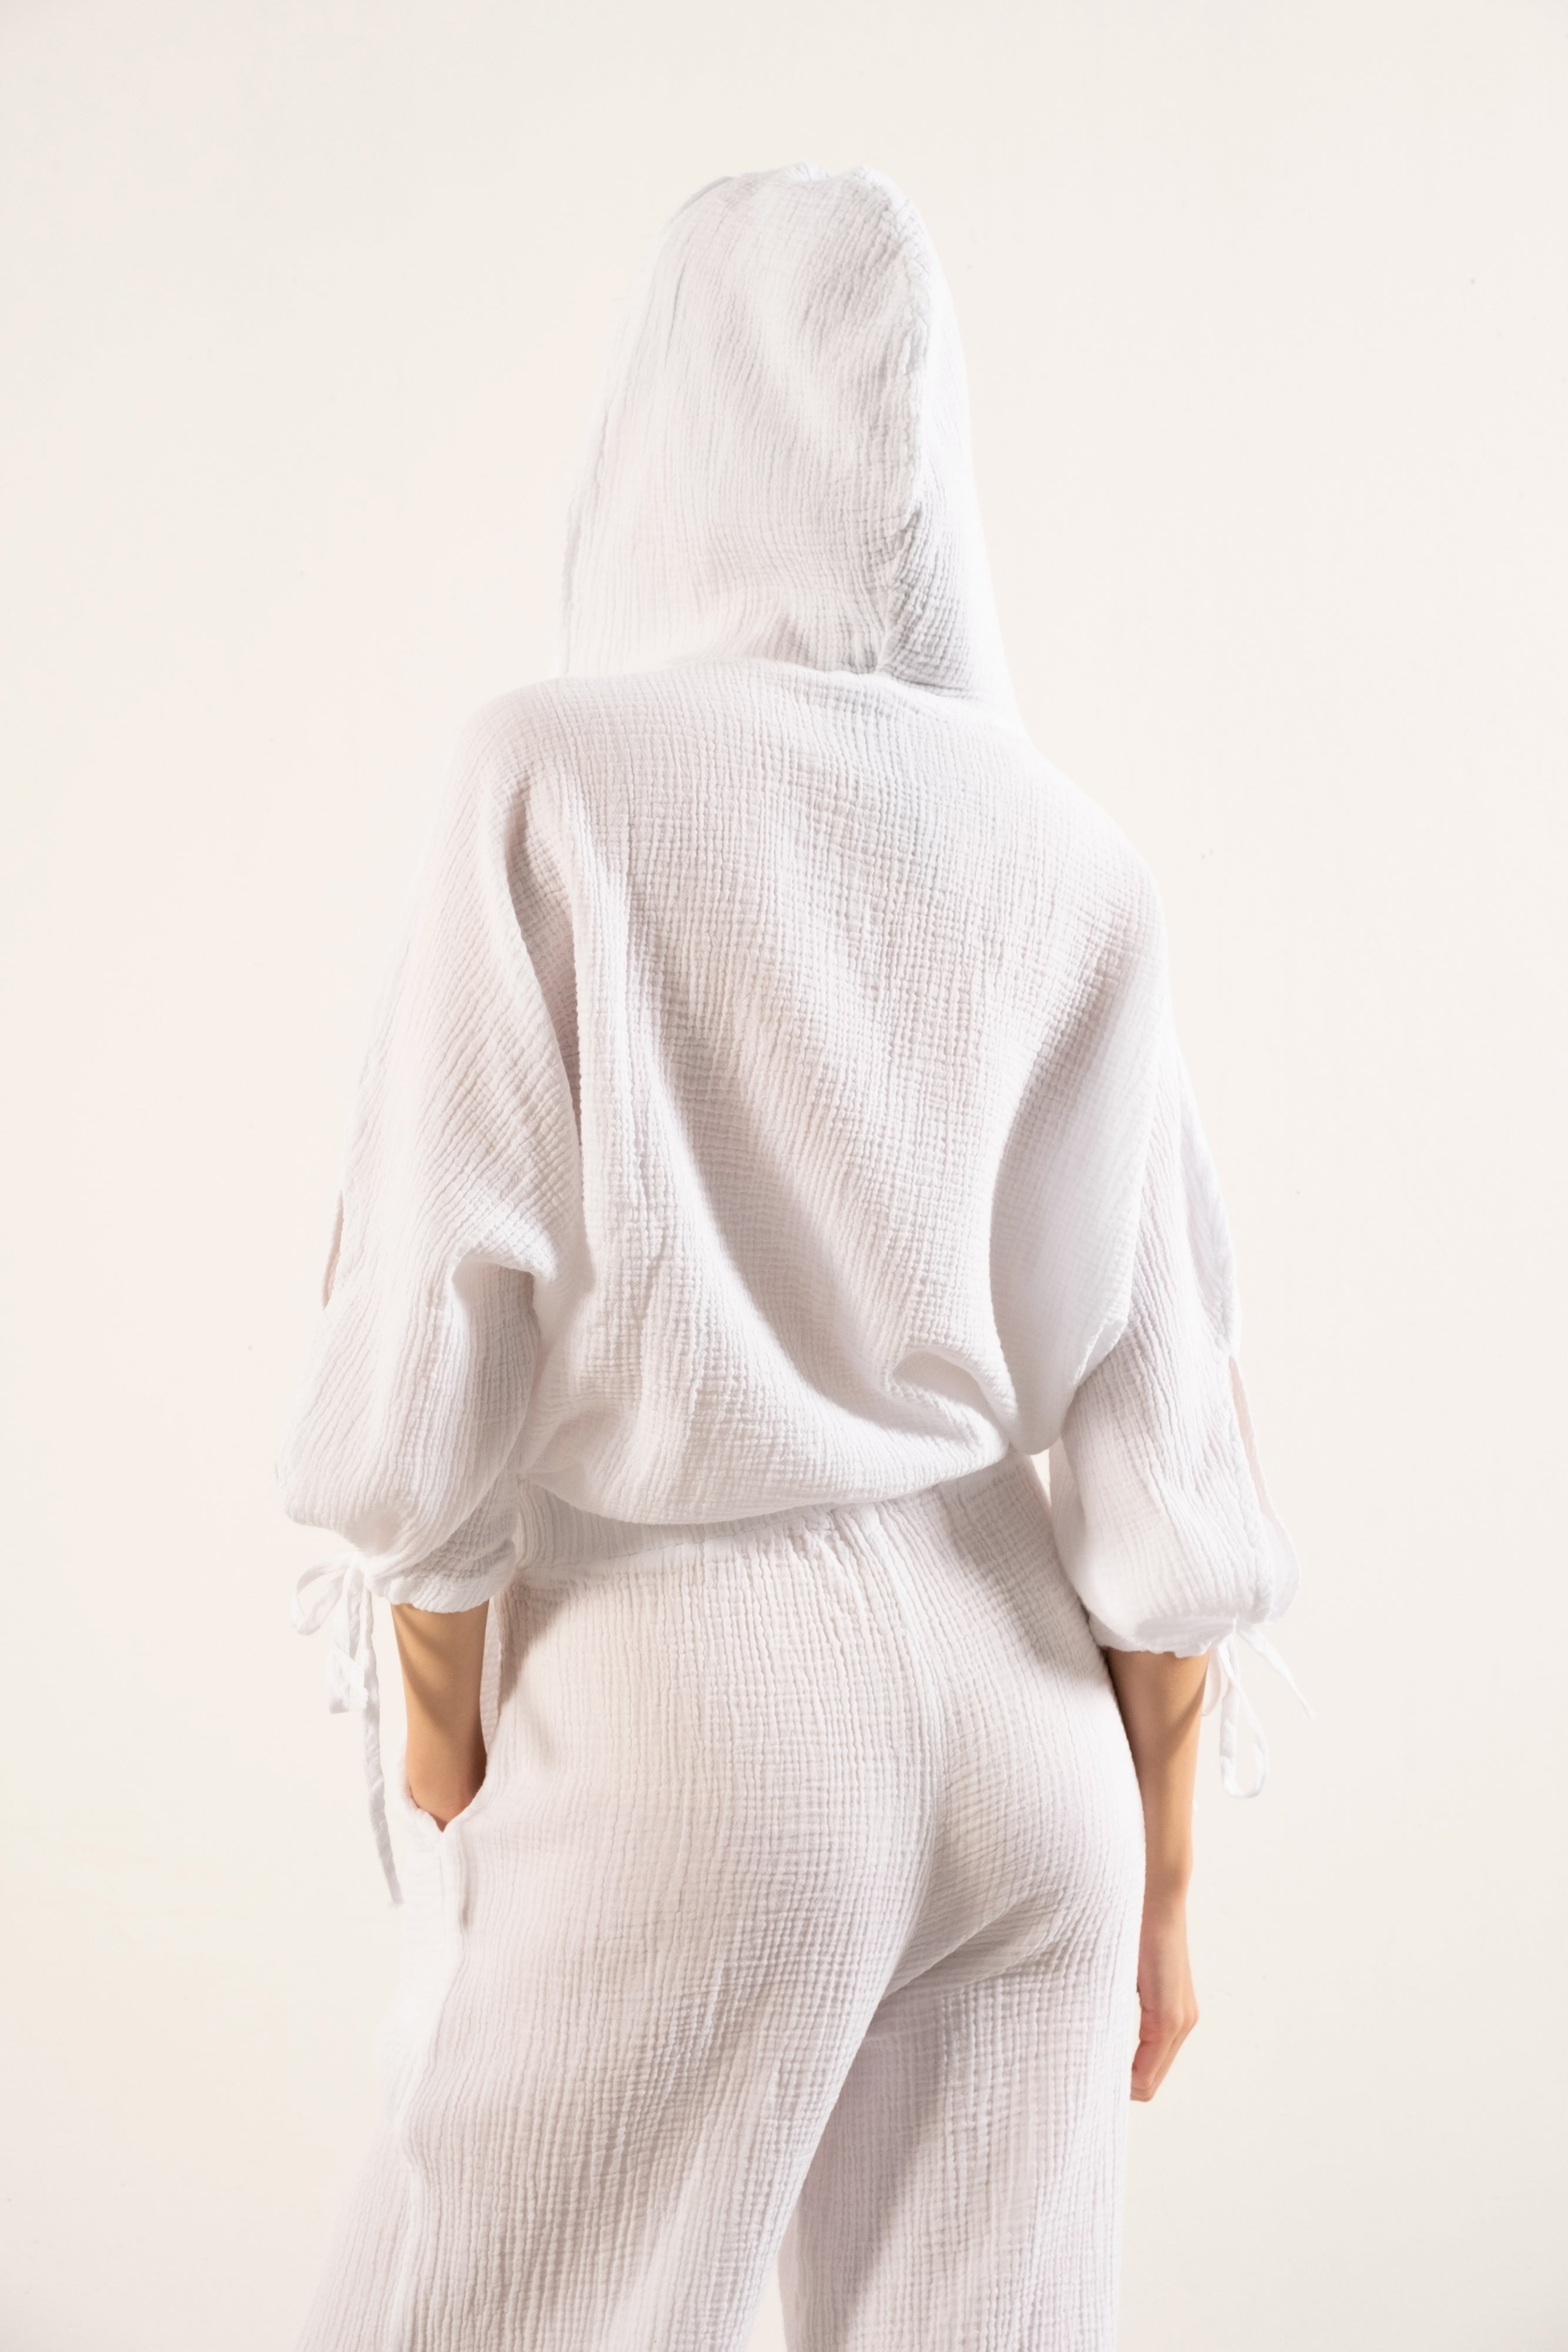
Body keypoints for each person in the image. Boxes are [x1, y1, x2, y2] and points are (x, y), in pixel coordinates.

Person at [279, 162, 1297, 2352]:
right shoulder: (1068, 852)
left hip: (685, 1697)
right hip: (1032, 1739)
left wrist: (444, 1744)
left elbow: (435, 1345)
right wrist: (1160, 1890)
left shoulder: (553, 780)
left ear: (658, 429)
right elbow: (1165, 1439)